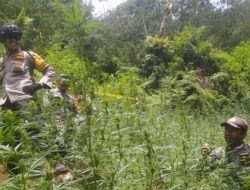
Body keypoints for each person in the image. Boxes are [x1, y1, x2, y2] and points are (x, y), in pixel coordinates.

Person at [0, 23, 55, 112]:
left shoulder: (29, 55)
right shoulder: (2, 61)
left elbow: (49, 70)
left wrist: (40, 84)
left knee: (33, 125)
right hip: (5, 103)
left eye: (17, 38)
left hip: (25, 99)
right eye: (10, 38)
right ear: (3, 41)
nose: (14, 40)